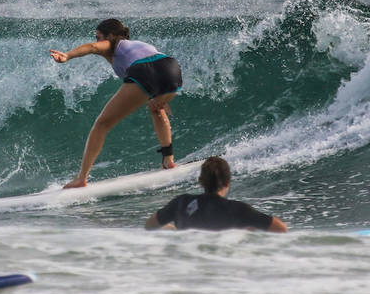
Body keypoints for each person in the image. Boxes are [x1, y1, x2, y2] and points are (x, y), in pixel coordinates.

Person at [50, 19, 183, 188]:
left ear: (111, 36)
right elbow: (156, 71)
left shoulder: (115, 44)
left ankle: (81, 178)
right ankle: (168, 160)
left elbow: (92, 47)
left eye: (99, 37)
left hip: (145, 69)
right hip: (172, 69)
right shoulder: (135, 46)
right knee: (156, 109)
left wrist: (67, 55)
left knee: (102, 124)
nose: (98, 41)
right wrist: (161, 100)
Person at [145, 156, 288, 232]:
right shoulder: (238, 210)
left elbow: (150, 225)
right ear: (228, 182)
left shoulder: (181, 203)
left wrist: (173, 229)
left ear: (201, 181)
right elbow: (281, 229)